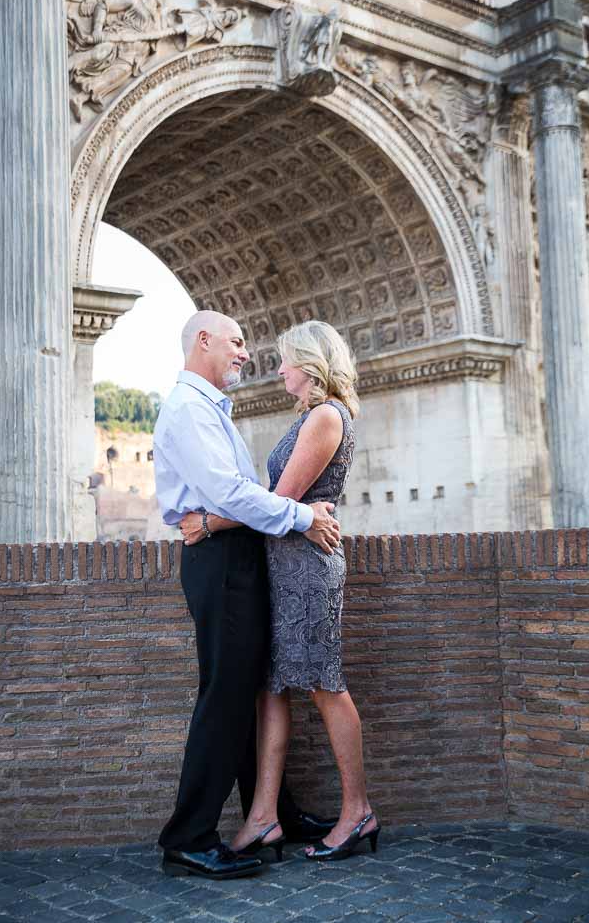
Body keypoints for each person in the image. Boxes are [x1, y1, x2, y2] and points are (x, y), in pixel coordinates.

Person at [180, 321, 378, 863]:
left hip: (308, 570)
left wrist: (206, 524)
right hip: (284, 566)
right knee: (273, 688)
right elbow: (282, 503)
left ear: (311, 365)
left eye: (287, 360)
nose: (279, 368)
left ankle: (357, 811)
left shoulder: (324, 416)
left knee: (323, 683)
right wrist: (288, 514)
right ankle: (263, 817)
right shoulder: (309, 416)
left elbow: (278, 499)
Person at [153, 310, 341, 880]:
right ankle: (188, 836)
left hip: (230, 557)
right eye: (236, 342)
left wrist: (221, 520)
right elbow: (232, 493)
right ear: (202, 341)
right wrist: (301, 515)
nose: (244, 353)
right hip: (219, 567)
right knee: (226, 696)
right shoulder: (188, 409)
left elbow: (235, 499)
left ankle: (272, 813)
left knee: (248, 690)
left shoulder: (209, 409)